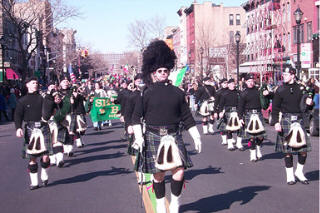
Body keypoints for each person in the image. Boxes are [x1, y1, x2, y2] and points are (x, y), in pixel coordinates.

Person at [131, 40, 202, 213]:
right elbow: (135, 117)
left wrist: (196, 135)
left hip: (173, 135)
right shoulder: (145, 93)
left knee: (179, 173)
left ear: (169, 72)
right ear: (154, 73)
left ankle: (176, 202)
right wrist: (139, 138)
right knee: (159, 175)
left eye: (165, 71)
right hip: (153, 135)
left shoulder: (178, 93)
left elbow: (186, 117)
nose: (163, 73)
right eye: (160, 71)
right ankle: (161, 203)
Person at [272, 67, 313, 185]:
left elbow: (307, 106)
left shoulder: (301, 88)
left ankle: (299, 172)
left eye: (286, 74)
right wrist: (276, 122)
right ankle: (290, 176)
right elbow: (275, 108)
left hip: (299, 120)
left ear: (293, 75)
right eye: (283, 74)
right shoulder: (280, 90)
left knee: (303, 150)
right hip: (286, 120)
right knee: (288, 151)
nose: (283, 76)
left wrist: (310, 103)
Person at [14, 76, 52, 190]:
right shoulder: (22, 100)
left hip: (44, 126)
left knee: (45, 156)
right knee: (32, 157)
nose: (35, 84)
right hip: (30, 129)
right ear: (27, 85)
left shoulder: (43, 98)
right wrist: (18, 128)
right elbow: (18, 115)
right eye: (32, 83)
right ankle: (34, 182)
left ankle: (44, 173)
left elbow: (51, 108)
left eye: (36, 83)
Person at [238, 74, 267, 160]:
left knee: (261, 136)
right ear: (246, 82)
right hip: (248, 115)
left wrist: (267, 94)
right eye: (249, 81)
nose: (251, 83)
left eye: (252, 81)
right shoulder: (243, 93)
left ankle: (258, 147)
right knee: (251, 137)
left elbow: (266, 100)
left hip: (258, 114)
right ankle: (252, 154)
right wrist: (240, 118)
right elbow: (240, 106)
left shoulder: (258, 91)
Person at [218, 79, 241, 151]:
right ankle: (230, 144)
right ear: (228, 85)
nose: (232, 85)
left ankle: (239, 143)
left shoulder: (238, 92)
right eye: (231, 84)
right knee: (229, 129)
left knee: (240, 128)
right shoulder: (225, 94)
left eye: (233, 83)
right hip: (228, 111)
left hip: (237, 111)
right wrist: (220, 112)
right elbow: (221, 104)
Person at [214, 78, 228, 145]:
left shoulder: (230, 91)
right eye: (224, 83)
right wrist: (215, 112)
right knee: (222, 126)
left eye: (227, 83)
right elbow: (216, 103)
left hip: (229, 109)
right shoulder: (218, 92)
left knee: (230, 125)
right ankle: (224, 139)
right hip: (221, 110)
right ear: (221, 84)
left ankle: (230, 138)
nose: (226, 84)